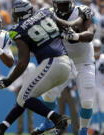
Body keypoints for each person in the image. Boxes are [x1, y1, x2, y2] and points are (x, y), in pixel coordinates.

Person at [0, 0, 87, 135]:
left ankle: (57, 118)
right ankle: (0, 129)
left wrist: (9, 80)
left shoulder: (17, 30)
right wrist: (81, 17)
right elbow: (68, 25)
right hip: (66, 64)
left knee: (24, 97)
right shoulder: (46, 12)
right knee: (24, 98)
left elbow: (23, 61)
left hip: (51, 62)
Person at [32, 0, 96, 135]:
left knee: (87, 101)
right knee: (48, 93)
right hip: (65, 60)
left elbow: (91, 33)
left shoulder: (82, 10)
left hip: (84, 60)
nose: (62, 7)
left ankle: (83, 131)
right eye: (59, 4)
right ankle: (48, 123)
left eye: (64, 4)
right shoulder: (49, 14)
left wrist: (77, 36)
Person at [8, 62, 36, 134]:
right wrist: (13, 88)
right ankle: (20, 130)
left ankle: (31, 129)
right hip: (19, 90)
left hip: (29, 90)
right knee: (19, 111)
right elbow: (8, 79)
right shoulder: (15, 67)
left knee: (30, 111)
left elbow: (36, 77)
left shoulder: (32, 66)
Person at [89, 39, 104, 135]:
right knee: (93, 108)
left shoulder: (103, 58)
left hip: (102, 87)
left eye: (98, 48)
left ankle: (103, 128)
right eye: (95, 48)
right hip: (92, 87)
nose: (96, 49)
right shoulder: (89, 58)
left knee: (103, 108)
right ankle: (95, 129)